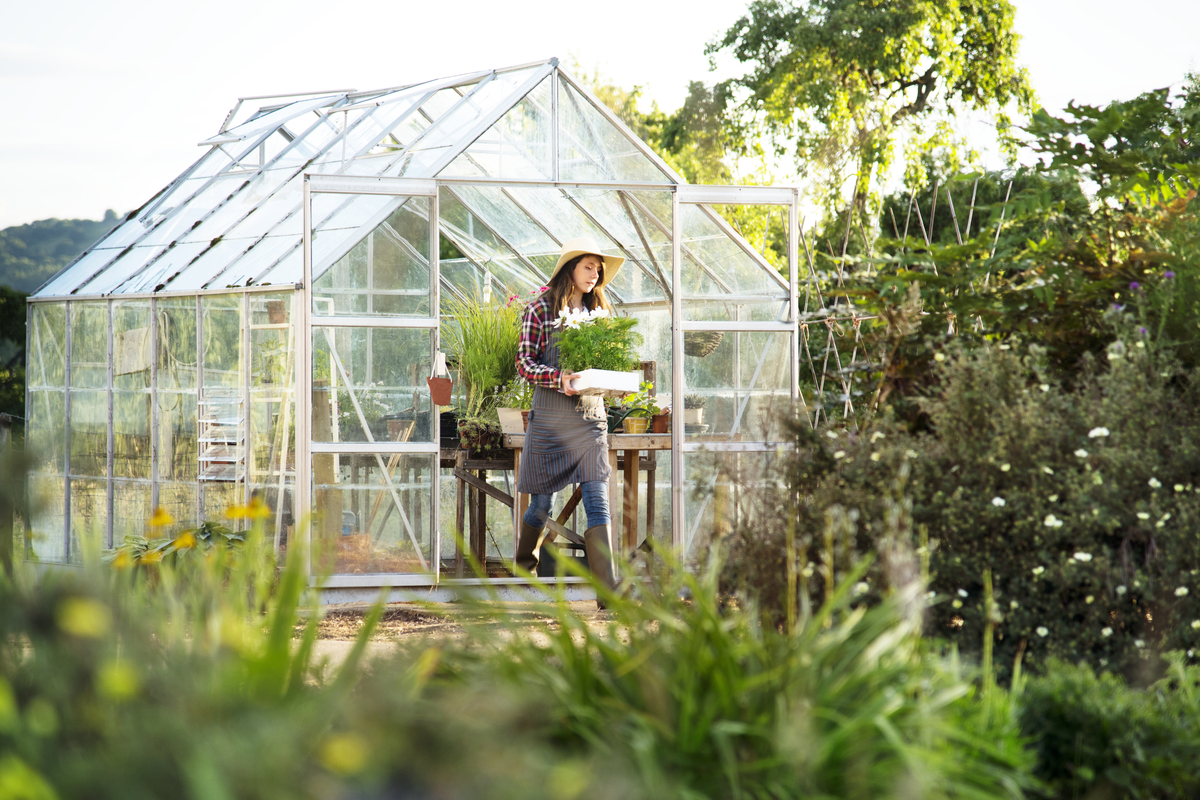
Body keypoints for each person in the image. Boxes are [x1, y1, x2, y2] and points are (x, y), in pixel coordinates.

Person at [514, 236, 624, 596]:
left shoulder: (601, 314)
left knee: (597, 497)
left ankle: (608, 593)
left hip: (590, 420)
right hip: (550, 420)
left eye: (598, 269)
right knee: (543, 503)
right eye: (588, 266)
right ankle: (523, 566)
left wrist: (615, 384)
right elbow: (524, 363)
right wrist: (557, 378)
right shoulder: (541, 309)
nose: (595, 274)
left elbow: (609, 362)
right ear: (570, 268)